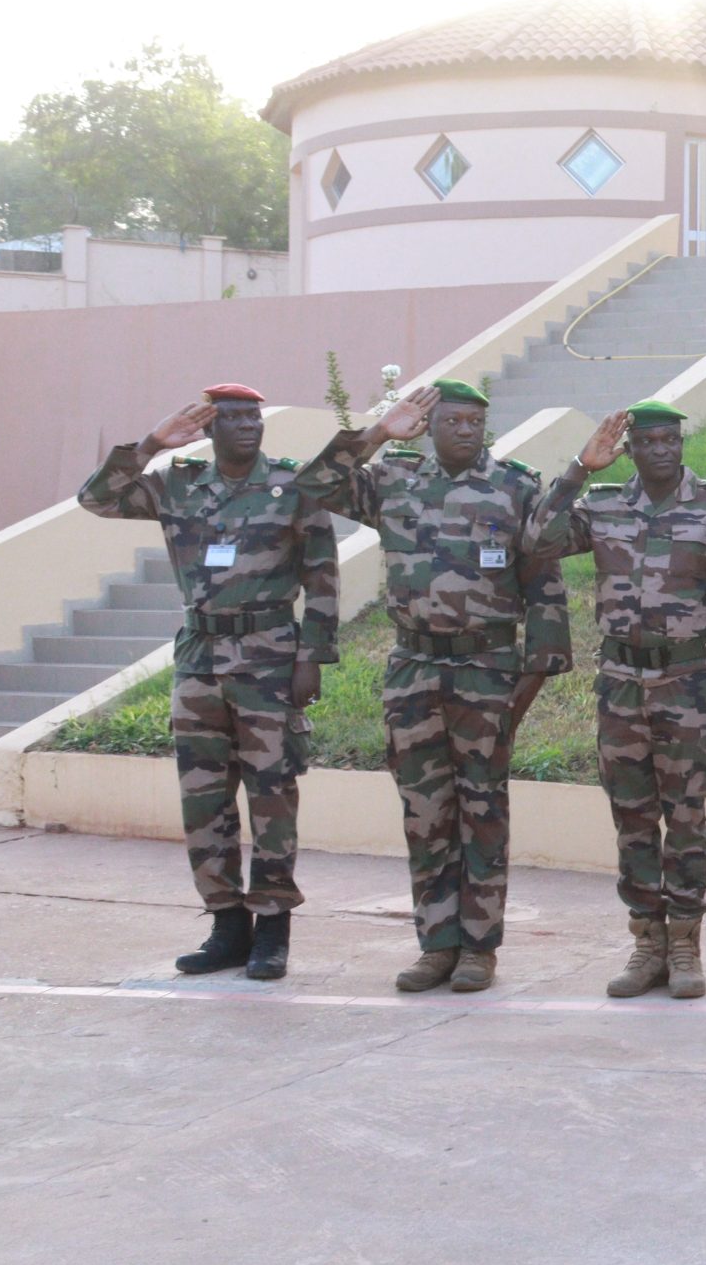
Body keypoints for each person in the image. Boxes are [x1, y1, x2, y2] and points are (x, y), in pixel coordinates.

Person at [295, 380, 572, 993]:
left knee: (483, 812)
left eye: (476, 421)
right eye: (454, 421)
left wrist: (528, 686)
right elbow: (314, 485)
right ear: (428, 425)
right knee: (425, 813)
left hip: (486, 669)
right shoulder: (394, 480)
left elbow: (545, 587)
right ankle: (436, 944)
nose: (466, 430)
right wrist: (376, 433)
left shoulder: (516, 488)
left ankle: (479, 948)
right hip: (413, 669)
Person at [77, 385, 338, 980]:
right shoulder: (179, 483)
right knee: (204, 799)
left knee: (272, 795)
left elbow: (322, 576)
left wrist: (312, 657)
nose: (248, 425)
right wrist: (150, 444)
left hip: (269, 656)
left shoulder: (294, 484)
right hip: (198, 658)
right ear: (208, 428)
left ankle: (272, 928)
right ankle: (226, 925)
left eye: (254, 416)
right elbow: (97, 498)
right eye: (234, 417)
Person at [526, 401, 706, 1000]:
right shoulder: (603, 504)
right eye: (649, 442)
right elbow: (538, 540)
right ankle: (646, 943)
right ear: (630, 449)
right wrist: (580, 468)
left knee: (685, 816)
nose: (662, 450)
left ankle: (684, 944)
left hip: (689, 679)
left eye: (671, 440)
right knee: (631, 816)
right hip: (621, 682)